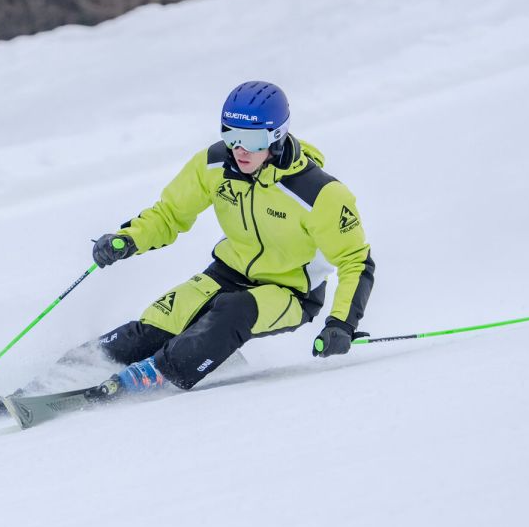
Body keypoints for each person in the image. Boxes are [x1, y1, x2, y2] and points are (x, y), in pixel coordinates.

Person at [79, 81, 375, 396]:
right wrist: (128, 239)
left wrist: (341, 324)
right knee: (155, 326)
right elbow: (170, 214)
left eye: (252, 139)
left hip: (291, 292)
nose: (240, 149)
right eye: (231, 135)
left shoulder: (319, 193)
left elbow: (355, 261)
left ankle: (150, 378)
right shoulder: (214, 165)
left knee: (235, 311)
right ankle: (66, 373)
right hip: (226, 273)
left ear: (277, 136)